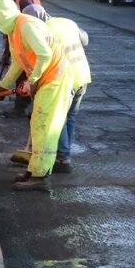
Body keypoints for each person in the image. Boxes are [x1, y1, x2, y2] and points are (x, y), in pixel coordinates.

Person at [0, 0, 74, 192]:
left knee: (45, 126)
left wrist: (31, 80)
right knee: (37, 124)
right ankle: (34, 169)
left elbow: (45, 54)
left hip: (55, 79)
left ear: (1, 19)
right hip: (47, 79)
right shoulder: (14, 31)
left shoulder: (26, 26)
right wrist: (2, 87)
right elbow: (17, 63)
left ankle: (40, 176)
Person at [45, 16, 90, 174]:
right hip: (82, 75)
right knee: (70, 116)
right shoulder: (69, 23)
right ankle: (65, 153)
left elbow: (45, 56)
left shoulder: (45, 29)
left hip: (67, 78)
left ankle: (63, 157)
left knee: (60, 117)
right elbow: (85, 40)